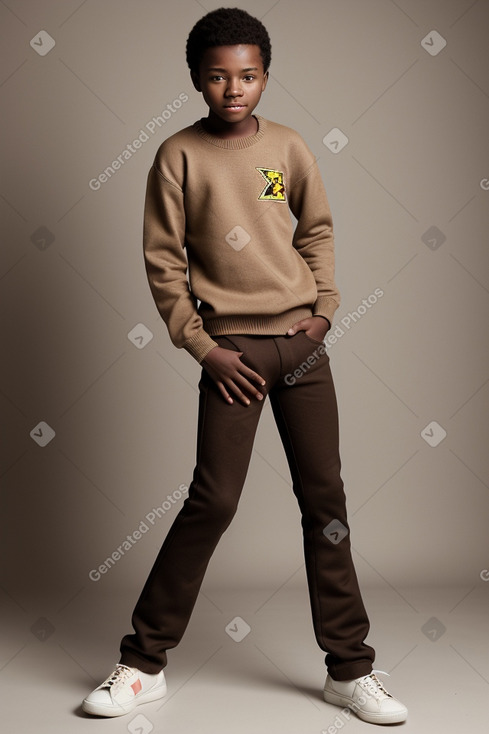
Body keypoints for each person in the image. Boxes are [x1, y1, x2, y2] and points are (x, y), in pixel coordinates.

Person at [82, 7, 407, 725]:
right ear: (197, 80)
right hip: (230, 352)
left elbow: (315, 228)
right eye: (219, 76)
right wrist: (204, 349)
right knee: (214, 501)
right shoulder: (177, 156)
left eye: (249, 75)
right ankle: (141, 664)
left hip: (302, 346)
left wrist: (323, 310)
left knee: (326, 503)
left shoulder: (288, 148)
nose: (234, 89)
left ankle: (349, 671)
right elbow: (164, 264)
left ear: (265, 76)